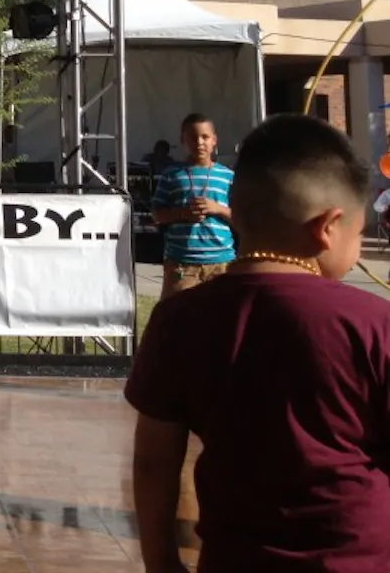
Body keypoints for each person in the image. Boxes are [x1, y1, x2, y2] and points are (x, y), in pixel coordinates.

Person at [126, 114, 390, 571]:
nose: (359, 247)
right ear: (329, 226)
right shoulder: (374, 323)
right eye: (360, 233)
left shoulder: (179, 319)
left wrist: (162, 562)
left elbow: (153, 462)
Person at [151, 113, 235, 300]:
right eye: (192, 137)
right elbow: (157, 214)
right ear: (183, 140)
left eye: (205, 137)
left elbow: (241, 219)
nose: (199, 142)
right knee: (176, 318)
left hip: (221, 263)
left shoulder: (227, 176)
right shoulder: (172, 175)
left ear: (214, 140)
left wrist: (217, 208)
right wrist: (182, 213)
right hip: (181, 263)